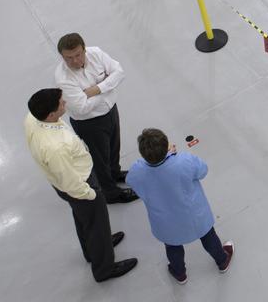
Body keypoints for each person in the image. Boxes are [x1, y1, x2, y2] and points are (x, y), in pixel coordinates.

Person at [24, 88, 138, 282]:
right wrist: (91, 194)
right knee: (97, 222)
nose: (65, 103)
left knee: (84, 219)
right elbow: (71, 182)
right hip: (80, 185)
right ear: (51, 114)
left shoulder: (33, 119)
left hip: (65, 182)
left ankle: (92, 251)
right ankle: (104, 268)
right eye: (61, 103)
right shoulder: (55, 148)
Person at [128, 128, 233, 284]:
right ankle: (222, 260)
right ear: (166, 146)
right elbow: (203, 171)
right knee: (208, 236)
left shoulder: (137, 171)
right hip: (194, 215)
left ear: (143, 153)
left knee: (173, 246)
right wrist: (173, 156)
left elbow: (134, 184)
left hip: (166, 222)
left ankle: (179, 273)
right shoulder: (184, 161)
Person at [54, 33, 138, 204]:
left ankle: (115, 173)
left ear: (84, 49)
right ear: (62, 57)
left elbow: (119, 72)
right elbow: (81, 107)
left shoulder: (96, 53)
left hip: (111, 111)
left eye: (78, 54)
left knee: (114, 147)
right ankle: (111, 193)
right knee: (100, 159)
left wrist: (95, 90)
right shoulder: (63, 79)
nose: (75, 61)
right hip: (90, 123)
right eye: (69, 58)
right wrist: (108, 86)